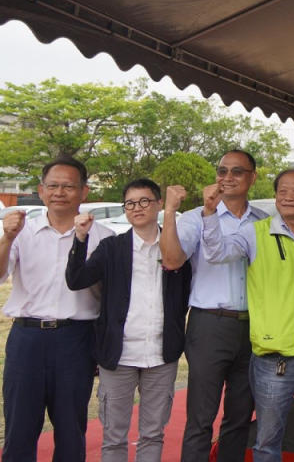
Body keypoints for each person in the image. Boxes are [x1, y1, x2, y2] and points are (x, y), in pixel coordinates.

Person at [201, 168, 294, 462]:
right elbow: (216, 253)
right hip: (274, 356)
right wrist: (210, 213)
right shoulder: (255, 232)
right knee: (268, 437)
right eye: (282, 191)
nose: (287, 197)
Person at [65, 178, 192, 462]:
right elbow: (76, 280)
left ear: (159, 204)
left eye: (145, 201)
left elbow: (185, 294)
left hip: (161, 355)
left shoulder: (175, 249)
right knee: (113, 437)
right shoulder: (112, 248)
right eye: (130, 203)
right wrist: (80, 239)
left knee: (153, 434)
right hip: (118, 355)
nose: (137, 208)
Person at [0, 156, 115, 462]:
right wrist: (6, 238)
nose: (60, 192)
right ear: (41, 190)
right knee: (19, 427)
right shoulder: (21, 231)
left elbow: (114, 297)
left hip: (75, 340)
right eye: (53, 185)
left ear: (84, 191)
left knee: (70, 429)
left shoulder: (104, 237)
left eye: (68, 186)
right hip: (27, 338)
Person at [159, 150, 269, 462]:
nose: (228, 178)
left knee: (239, 415)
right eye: (222, 171)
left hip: (255, 326)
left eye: (237, 171)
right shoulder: (196, 217)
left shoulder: (264, 222)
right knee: (200, 416)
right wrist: (170, 212)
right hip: (210, 324)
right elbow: (171, 260)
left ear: (253, 177)